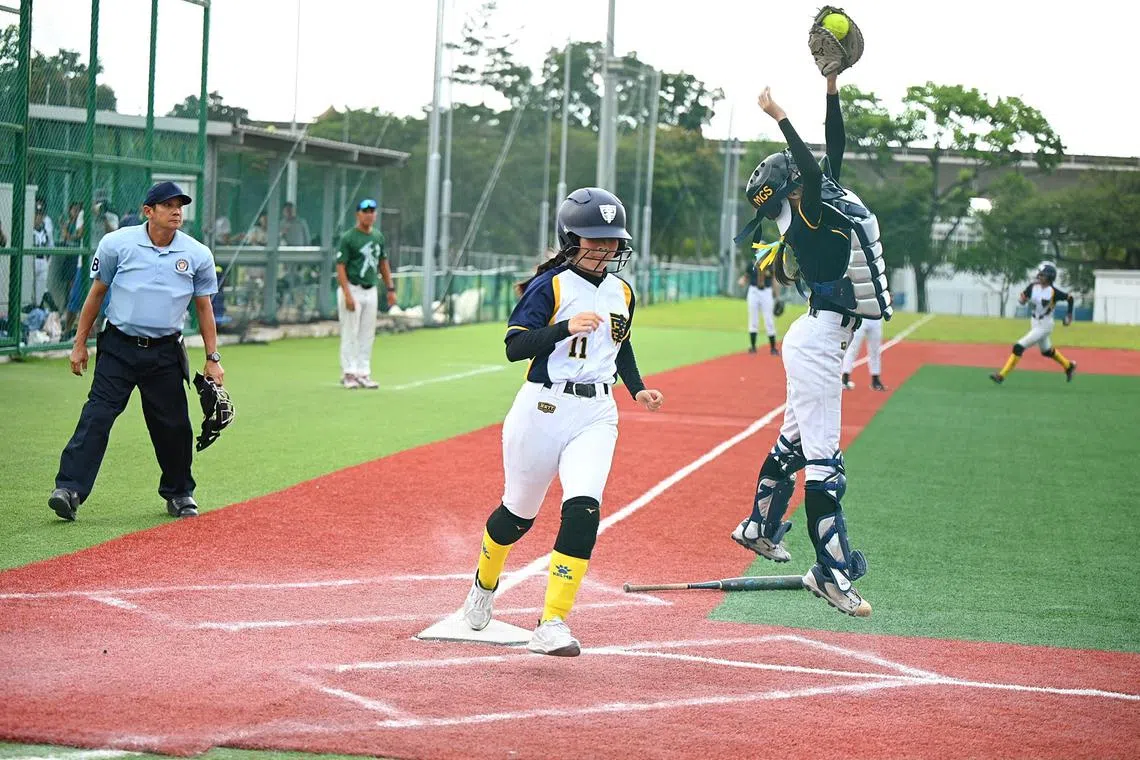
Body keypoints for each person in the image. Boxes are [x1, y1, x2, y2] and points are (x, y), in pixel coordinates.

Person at [460, 187, 665, 657]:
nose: (605, 248)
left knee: (583, 510)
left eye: (612, 239)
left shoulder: (623, 291)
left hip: (596, 413)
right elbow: (515, 347)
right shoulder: (549, 286)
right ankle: (483, 587)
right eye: (594, 238)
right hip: (542, 408)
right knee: (516, 517)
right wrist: (563, 329)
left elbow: (620, 345)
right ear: (569, 238)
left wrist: (637, 388)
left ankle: (552, 621)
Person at [728, 74, 892, 618]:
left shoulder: (811, 203)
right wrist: (778, 114)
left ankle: (758, 526)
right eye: (797, 174)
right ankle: (832, 574)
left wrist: (832, 86)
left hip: (821, 337)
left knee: (795, 446)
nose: (805, 171)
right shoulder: (810, 209)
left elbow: (833, 144)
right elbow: (816, 164)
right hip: (821, 343)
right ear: (793, 187)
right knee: (826, 464)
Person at [48, 181, 222, 522]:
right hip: (119, 348)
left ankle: (180, 492)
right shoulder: (117, 244)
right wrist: (79, 344)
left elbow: (204, 309)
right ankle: (68, 489)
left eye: (180, 205)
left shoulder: (197, 254)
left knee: (173, 425)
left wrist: (213, 359)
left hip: (165, 352)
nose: (176, 211)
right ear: (148, 211)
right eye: (168, 205)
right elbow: (96, 295)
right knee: (97, 415)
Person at [335, 198, 395, 389]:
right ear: (358, 214)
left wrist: (390, 288)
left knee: (367, 333)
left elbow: (383, 263)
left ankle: (363, 372)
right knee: (350, 332)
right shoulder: (349, 238)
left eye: (372, 211)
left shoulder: (377, 237)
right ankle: (349, 373)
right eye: (365, 211)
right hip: (353, 288)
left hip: (371, 290)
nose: (369, 214)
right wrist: (347, 294)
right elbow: (341, 266)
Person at [989, 261, 1076, 384]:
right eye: (1039, 274)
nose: (1039, 276)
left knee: (1018, 347)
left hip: (1045, 324)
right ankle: (1068, 366)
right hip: (1034, 321)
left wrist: (1069, 315)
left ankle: (1001, 375)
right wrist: (1022, 300)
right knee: (1046, 351)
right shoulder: (1033, 287)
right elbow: (1022, 300)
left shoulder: (1053, 292)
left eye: (1043, 275)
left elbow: (1070, 298)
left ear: (1050, 277)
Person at [738, 259, 781, 355]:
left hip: (766, 291)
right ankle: (753, 347)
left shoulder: (770, 264)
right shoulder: (752, 263)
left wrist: (777, 297)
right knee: (753, 319)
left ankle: (773, 348)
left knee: (769, 319)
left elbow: (774, 280)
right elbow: (746, 276)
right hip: (754, 291)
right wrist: (742, 281)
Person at [841, 318, 887, 391]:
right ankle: (845, 377)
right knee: (853, 349)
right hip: (861, 317)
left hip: (876, 319)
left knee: (875, 350)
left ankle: (875, 379)